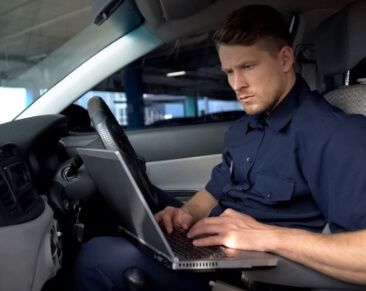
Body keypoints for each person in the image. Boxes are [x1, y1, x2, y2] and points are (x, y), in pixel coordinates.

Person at [70, 4, 366, 290]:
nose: (237, 84)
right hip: (212, 250)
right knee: (108, 214)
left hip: (256, 276)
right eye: (229, 72)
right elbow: (215, 190)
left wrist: (266, 237)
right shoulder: (245, 127)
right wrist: (188, 213)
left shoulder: (335, 134)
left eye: (247, 66)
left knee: (99, 259)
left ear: (285, 59)